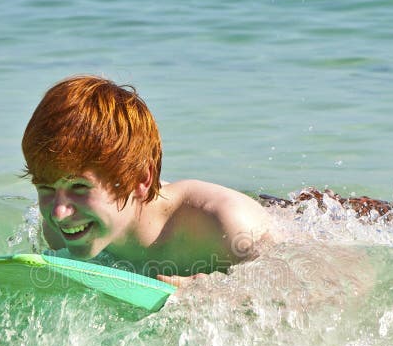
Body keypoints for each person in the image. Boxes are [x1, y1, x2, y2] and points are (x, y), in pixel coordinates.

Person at [22, 75, 273, 286]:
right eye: (46, 187)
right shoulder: (61, 231)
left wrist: (212, 296)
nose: (58, 212)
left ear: (141, 179)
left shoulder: (226, 225)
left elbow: (302, 291)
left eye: (78, 186)